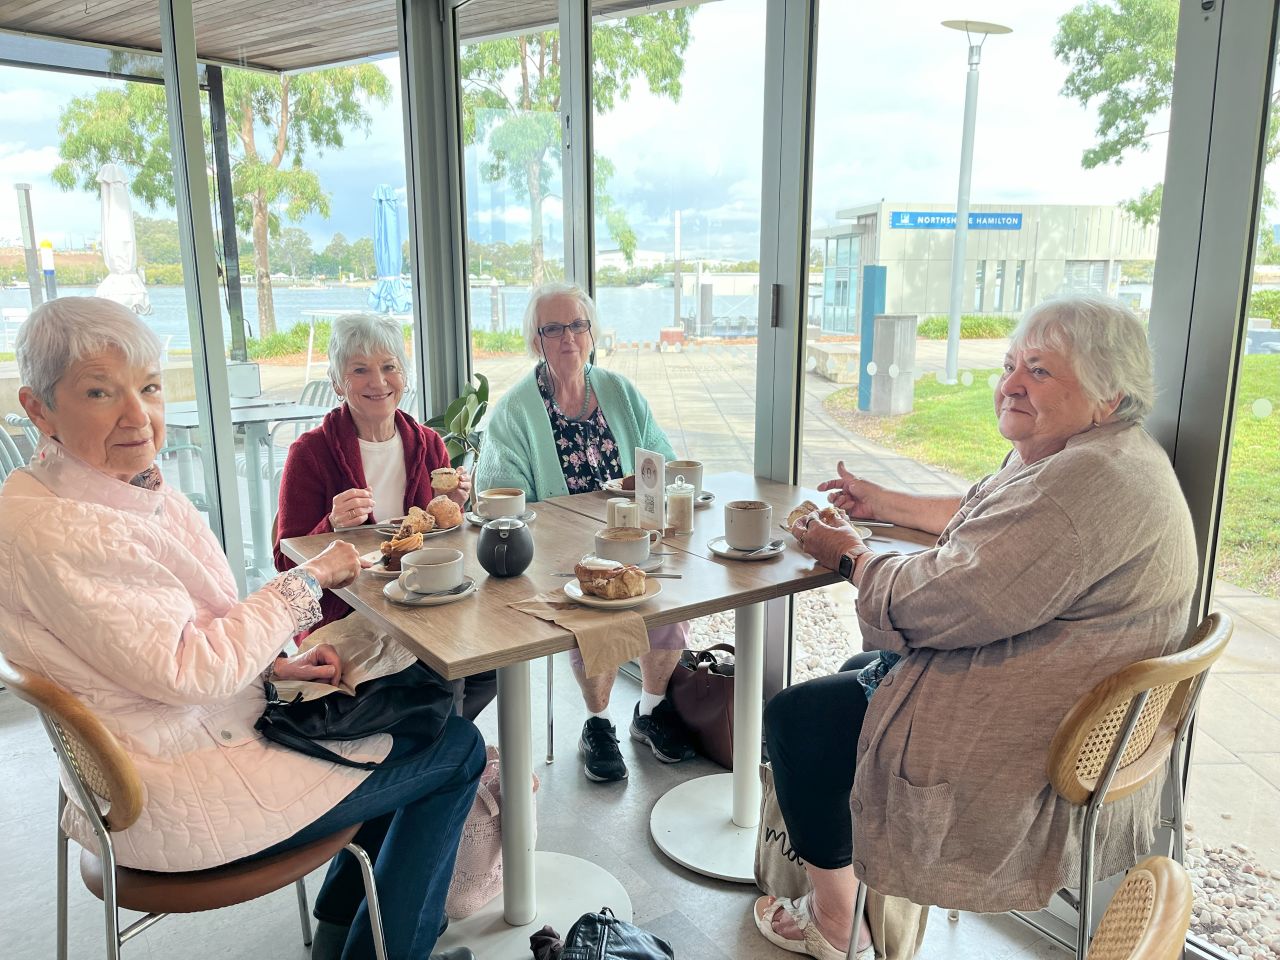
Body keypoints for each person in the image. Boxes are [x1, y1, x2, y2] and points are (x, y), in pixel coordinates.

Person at [0, 297, 482, 960]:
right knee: (452, 749)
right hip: (170, 785)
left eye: (148, 388)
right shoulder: (65, 531)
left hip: (174, 735)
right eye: (98, 392)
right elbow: (191, 664)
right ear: (39, 408)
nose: (137, 416)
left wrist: (270, 667)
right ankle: (382, 946)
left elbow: (147, 642)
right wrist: (306, 584)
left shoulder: (80, 491)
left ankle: (348, 930)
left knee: (406, 720)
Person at [754, 295, 1198, 960]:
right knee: (851, 679)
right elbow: (989, 519)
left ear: (1109, 395)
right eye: (1009, 364)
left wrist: (850, 555)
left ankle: (838, 921)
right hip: (1079, 722)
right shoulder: (1100, 456)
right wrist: (882, 503)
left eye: (1040, 372)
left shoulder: (1082, 482)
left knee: (798, 720)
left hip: (1029, 752)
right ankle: (870, 889)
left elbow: (945, 601)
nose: (1011, 385)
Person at [474, 282, 695, 783]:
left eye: (577, 325)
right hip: (561, 555)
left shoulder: (620, 392)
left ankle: (651, 709)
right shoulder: (514, 413)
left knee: (666, 602)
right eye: (554, 328)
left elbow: (660, 462)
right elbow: (499, 500)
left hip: (634, 543)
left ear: (591, 333)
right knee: (590, 611)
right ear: (537, 340)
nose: (568, 337)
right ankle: (597, 723)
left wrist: (649, 486)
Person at [274, 311, 496, 721]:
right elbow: (285, 562)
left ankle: (449, 752)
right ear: (338, 383)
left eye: (389, 367)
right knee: (436, 674)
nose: (378, 382)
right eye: (360, 370)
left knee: (489, 664)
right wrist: (331, 526)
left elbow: (446, 541)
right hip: (350, 613)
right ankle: (449, 758)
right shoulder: (309, 453)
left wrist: (456, 510)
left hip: (425, 600)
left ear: (404, 376)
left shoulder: (429, 445)